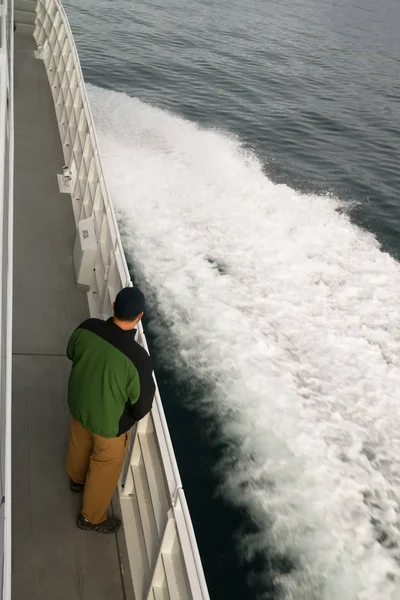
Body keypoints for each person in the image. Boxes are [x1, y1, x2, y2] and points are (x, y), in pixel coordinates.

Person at [66, 286, 155, 534]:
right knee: (105, 467)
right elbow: (141, 406)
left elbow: (71, 352)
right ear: (140, 316)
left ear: (114, 306)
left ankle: (76, 480)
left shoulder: (87, 327)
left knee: (78, 443)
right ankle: (91, 518)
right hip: (108, 425)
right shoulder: (138, 359)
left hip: (79, 405)